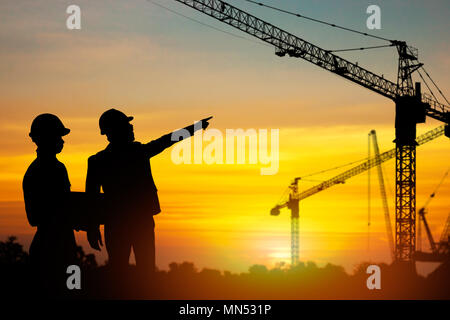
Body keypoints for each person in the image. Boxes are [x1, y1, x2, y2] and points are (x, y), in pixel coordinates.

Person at [86, 109, 211, 277]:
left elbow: (166, 140)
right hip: (132, 223)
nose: (131, 127)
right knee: (134, 273)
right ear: (115, 131)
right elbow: (91, 199)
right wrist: (92, 229)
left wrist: (92, 229)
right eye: (127, 125)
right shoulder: (132, 154)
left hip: (125, 223)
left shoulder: (100, 160)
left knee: (129, 273)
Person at [22, 113, 78, 294]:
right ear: (44, 138)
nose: (62, 141)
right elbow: (35, 217)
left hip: (64, 243)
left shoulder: (58, 168)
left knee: (73, 289)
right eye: (58, 136)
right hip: (50, 247)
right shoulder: (38, 171)